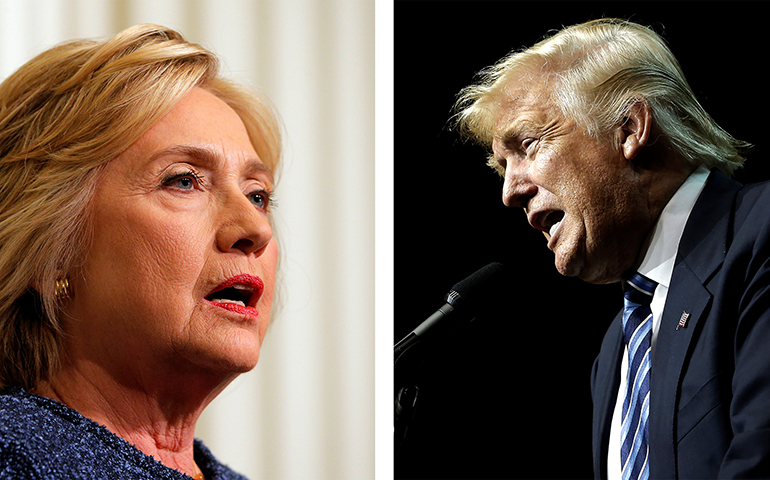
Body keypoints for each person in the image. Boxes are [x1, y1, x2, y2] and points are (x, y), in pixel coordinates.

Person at [453, 18, 770, 479]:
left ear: (629, 128)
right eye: (502, 166)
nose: (509, 191)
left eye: (527, 145)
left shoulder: (760, 234)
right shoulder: (616, 350)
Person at [0, 24, 281, 479]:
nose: (255, 229)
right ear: (52, 250)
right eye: (183, 180)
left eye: (257, 195)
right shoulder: (14, 455)